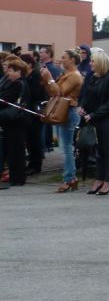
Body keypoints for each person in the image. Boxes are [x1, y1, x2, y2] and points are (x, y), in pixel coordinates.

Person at [40, 49, 84, 192]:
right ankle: (71, 178)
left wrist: (50, 77)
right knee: (64, 148)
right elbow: (52, 92)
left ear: (72, 59)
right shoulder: (66, 74)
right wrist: (47, 80)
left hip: (69, 111)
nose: (61, 59)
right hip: (62, 111)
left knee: (66, 149)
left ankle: (69, 178)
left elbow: (60, 92)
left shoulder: (75, 76)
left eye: (64, 57)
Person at [78, 50, 109, 196]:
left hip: (107, 119)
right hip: (93, 118)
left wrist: (94, 114)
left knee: (107, 150)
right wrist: (82, 107)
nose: (90, 63)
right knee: (98, 151)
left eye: (93, 61)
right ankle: (99, 178)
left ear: (101, 62)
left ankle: (108, 180)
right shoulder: (93, 78)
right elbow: (86, 95)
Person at [0, 59, 32, 189]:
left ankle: (17, 177)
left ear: (19, 72)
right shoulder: (16, 82)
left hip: (16, 121)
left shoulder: (19, 84)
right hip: (13, 121)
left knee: (16, 150)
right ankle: (16, 177)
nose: (9, 73)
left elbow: (5, 99)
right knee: (14, 150)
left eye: (12, 70)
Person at [19, 52, 47, 175]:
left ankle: (36, 165)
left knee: (35, 139)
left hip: (35, 112)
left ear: (29, 64)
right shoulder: (25, 76)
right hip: (27, 112)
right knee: (29, 139)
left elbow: (37, 94)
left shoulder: (35, 76)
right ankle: (31, 162)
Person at [39, 46, 61, 153]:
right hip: (45, 98)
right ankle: (48, 145)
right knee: (46, 123)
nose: (40, 54)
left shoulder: (52, 68)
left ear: (48, 54)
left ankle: (47, 145)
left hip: (49, 98)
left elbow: (55, 84)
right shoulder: (43, 66)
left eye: (42, 52)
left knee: (46, 124)